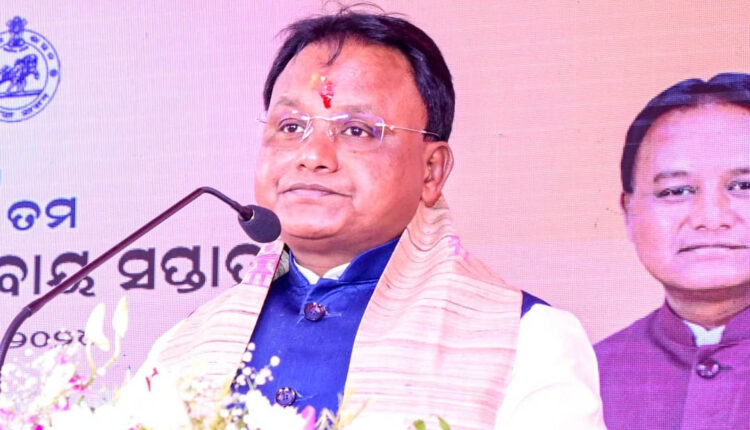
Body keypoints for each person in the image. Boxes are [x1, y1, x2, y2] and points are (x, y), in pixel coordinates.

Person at [120, 9, 604, 429]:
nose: (312, 155)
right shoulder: (185, 346)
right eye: (290, 126)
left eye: (357, 130)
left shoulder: (528, 340)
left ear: (431, 171)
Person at [595, 73, 750, 430]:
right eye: (676, 191)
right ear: (629, 212)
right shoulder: (583, 376)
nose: (710, 218)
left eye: (744, 186)